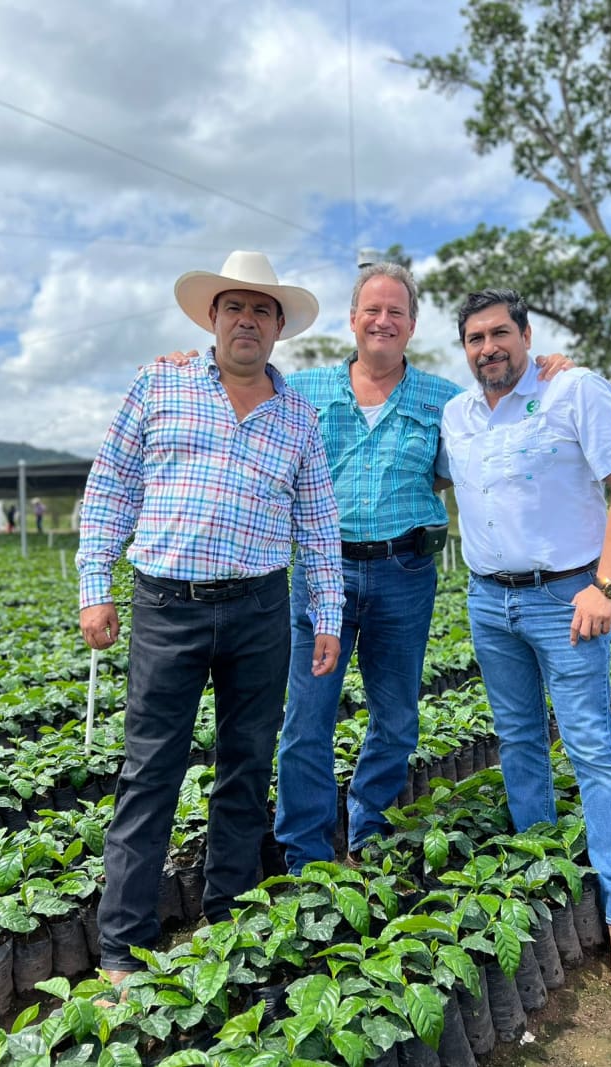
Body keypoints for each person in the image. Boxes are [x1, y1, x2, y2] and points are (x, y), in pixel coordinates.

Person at [163, 262, 571, 874]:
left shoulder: (445, 400)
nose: (383, 321)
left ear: (410, 326)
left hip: (404, 573)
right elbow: (236, 387)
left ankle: (368, 827)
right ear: (353, 320)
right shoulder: (302, 393)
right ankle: (303, 847)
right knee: (307, 717)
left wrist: (547, 373)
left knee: (397, 716)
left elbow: (489, 432)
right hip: (321, 576)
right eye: (372, 310)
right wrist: (190, 364)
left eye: (397, 312)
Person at [76, 250, 344, 987]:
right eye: (235, 307)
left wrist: (328, 610)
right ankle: (121, 945)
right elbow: (110, 489)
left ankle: (227, 915)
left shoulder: (298, 416)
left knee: (246, 766)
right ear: (212, 318)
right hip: (168, 605)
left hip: (261, 606)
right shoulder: (158, 383)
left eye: (262, 309)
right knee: (149, 771)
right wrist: (94, 584)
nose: (247, 320)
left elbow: (318, 522)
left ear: (278, 326)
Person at [439, 287, 611, 1003]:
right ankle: (544, 867)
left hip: (567, 596)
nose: (488, 347)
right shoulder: (456, 414)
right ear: (464, 348)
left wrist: (607, 585)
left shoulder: (575, 389)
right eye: (474, 337)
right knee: (519, 739)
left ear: (526, 336)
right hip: (487, 598)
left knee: (591, 744)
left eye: (500, 333)